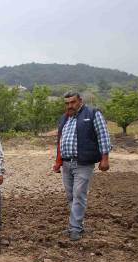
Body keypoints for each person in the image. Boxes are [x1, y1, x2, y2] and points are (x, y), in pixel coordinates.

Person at [52, 91, 111, 241]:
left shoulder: (92, 113)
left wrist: (105, 158)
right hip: (66, 162)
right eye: (67, 103)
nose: (69, 106)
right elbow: (60, 141)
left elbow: (103, 135)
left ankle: (75, 228)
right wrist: (58, 161)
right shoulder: (65, 118)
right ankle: (77, 225)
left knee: (79, 194)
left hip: (83, 162)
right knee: (71, 196)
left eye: (72, 102)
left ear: (80, 101)